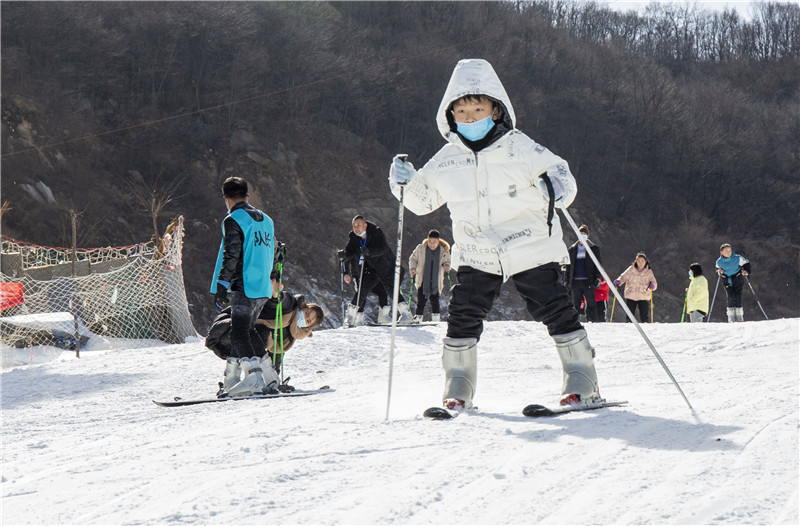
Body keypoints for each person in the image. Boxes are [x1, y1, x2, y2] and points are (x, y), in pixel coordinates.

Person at [388, 58, 602, 413]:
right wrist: (403, 182)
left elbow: (559, 173)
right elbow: (422, 201)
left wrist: (559, 185)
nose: (470, 117)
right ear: (450, 116)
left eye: (478, 108)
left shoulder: (521, 147)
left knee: (552, 306)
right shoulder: (447, 158)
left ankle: (582, 377)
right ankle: (458, 384)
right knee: (463, 313)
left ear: (496, 110)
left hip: (529, 244)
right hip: (477, 249)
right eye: (462, 111)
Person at [210, 176, 275, 397]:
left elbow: (231, 255)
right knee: (248, 331)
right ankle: (270, 375)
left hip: (244, 286)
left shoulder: (234, 219)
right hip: (263, 287)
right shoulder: (267, 220)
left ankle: (254, 378)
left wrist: (221, 285)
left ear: (226, 198)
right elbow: (272, 252)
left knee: (238, 334)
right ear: (247, 196)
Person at [206, 283, 325, 395]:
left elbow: (276, 355)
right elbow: (280, 301)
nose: (305, 318)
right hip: (227, 329)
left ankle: (250, 381)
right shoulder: (290, 306)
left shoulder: (289, 334)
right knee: (260, 331)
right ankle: (231, 381)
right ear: (304, 307)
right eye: (307, 313)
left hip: (242, 338)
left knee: (259, 334)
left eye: (308, 321)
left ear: (308, 327)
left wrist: (273, 381)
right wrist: (276, 295)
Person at [338, 215, 413, 326]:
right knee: (361, 290)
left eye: (358, 225)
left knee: (390, 289)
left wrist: (369, 251)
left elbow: (382, 248)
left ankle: (406, 314)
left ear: (365, 225)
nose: (356, 228)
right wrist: (344, 255)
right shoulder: (354, 237)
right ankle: (350, 317)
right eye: (354, 226)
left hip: (384, 264)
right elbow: (350, 251)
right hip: (370, 267)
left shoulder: (376, 232)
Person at [409, 229, 452, 323]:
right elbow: (413, 259)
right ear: (427, 240)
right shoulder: (420, 248)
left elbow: (447, 261)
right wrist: (413, 267)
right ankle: (418, 317)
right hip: (423, 278)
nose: (432, 244)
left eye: (434, 242)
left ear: (438, 241)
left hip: (436, 279)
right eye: (430, 241)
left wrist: (446, 265)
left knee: (435, 300)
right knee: (421, 300)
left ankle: (436, 319)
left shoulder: (444, 251)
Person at [566, 224, 602, 322]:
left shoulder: (594, 249)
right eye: (580, 234)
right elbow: (568, 266)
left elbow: (598, 265)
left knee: (591, 304)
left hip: (588, 280)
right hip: (575, 281)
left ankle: (592, 322)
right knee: (575, 305)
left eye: (584, 234)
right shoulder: (572, 249)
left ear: (588, 236)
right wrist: (567, 280)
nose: (582, 236)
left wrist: (597, 278)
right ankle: (575, 323)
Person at [613, 252, 657, 323]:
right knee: (629, 315)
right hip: (631, 295)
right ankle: (629, 327)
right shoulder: (631, 269)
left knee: (644, 316)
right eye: (639, 261)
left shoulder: (648, 272)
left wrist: (653, 285)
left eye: (642, 261)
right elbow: (623, 277)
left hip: (643, 296)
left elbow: (654, 282)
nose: (640, 263)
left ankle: (645, 329)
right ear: (636, 261)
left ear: (645, 262)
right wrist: (619, 281)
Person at [715, 243, 751, 322]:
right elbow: (717, 270)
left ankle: (739, 316)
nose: (728, 252)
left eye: (730, 250)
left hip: (737, 279)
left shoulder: (737, 258)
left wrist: (746, 271)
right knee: (730, 296)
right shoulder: (719, 261)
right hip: (727, 280)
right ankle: (731, 317)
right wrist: (719, 271)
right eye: (726, 251)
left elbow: (747, 264)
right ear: (721, 253)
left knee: (738, 296)